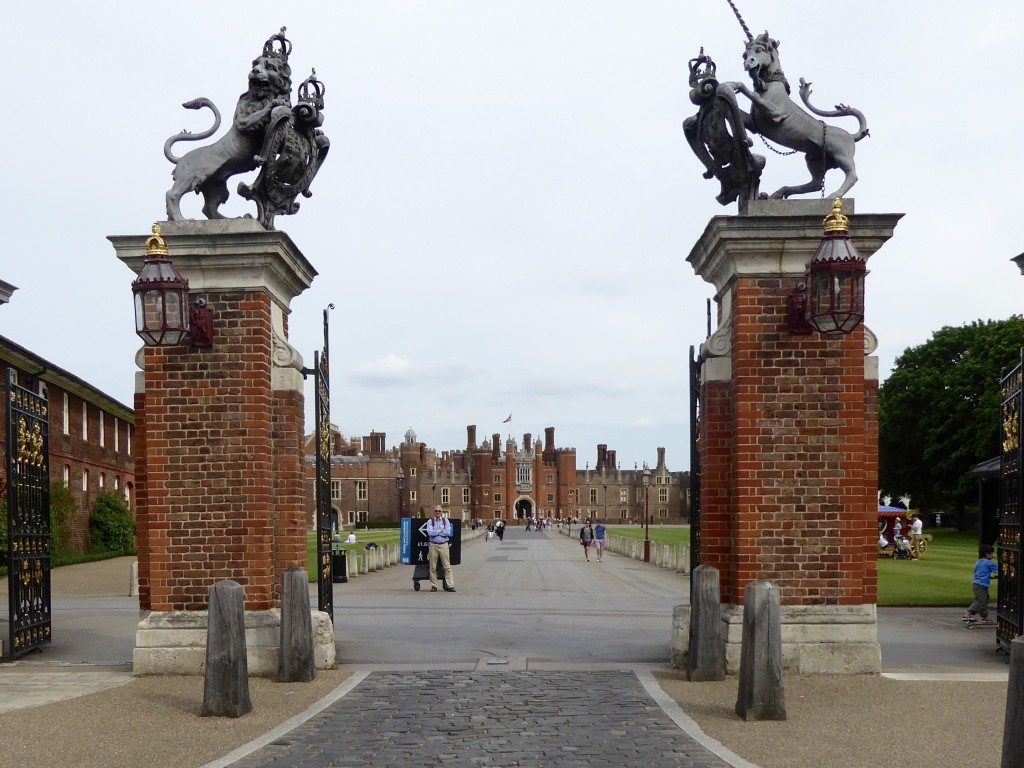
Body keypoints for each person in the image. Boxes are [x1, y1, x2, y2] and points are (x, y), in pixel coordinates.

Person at [963, 544, 998, 626]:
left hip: (976, 583)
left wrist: (989, 576)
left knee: (983, 601)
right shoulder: (989, 563)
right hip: (982, 584)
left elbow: (980, 573)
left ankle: (985, 617)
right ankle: (967, 615)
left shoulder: (978, 562)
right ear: (987, 554)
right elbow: (1000, 570)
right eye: (992, 554)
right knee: (979, 601)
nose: (992, 556)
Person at [426, 505, 456, 593]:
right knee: (432, 567)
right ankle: (434, 585)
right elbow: (430, 533)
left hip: (443, 544)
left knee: (447, 566)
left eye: (439, 511)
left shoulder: (445, 521)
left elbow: (448, 533)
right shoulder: (430, 521)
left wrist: (437, 532)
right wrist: (440, 530)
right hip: (433, 545)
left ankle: (450, 585)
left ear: (442, 512)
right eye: (436, 511)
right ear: (434, 512)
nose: (437, 512)